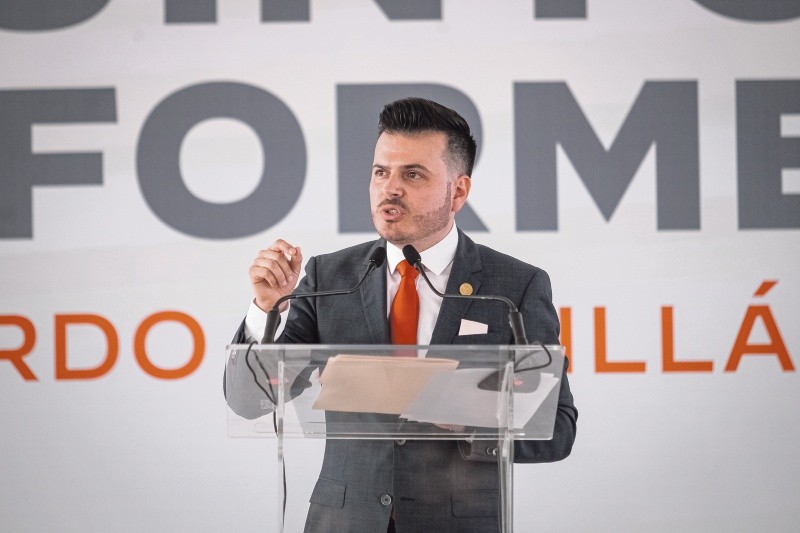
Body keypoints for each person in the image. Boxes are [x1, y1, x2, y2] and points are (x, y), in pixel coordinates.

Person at [230, 97, 577, 532]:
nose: (390, 189)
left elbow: (557, 429)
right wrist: (265, 308)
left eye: (412, 174)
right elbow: (249, 401)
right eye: (381, 172)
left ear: (458, 191)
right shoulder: (329, 276)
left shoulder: (514, 287)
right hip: (345, 522)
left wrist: (468, 419)